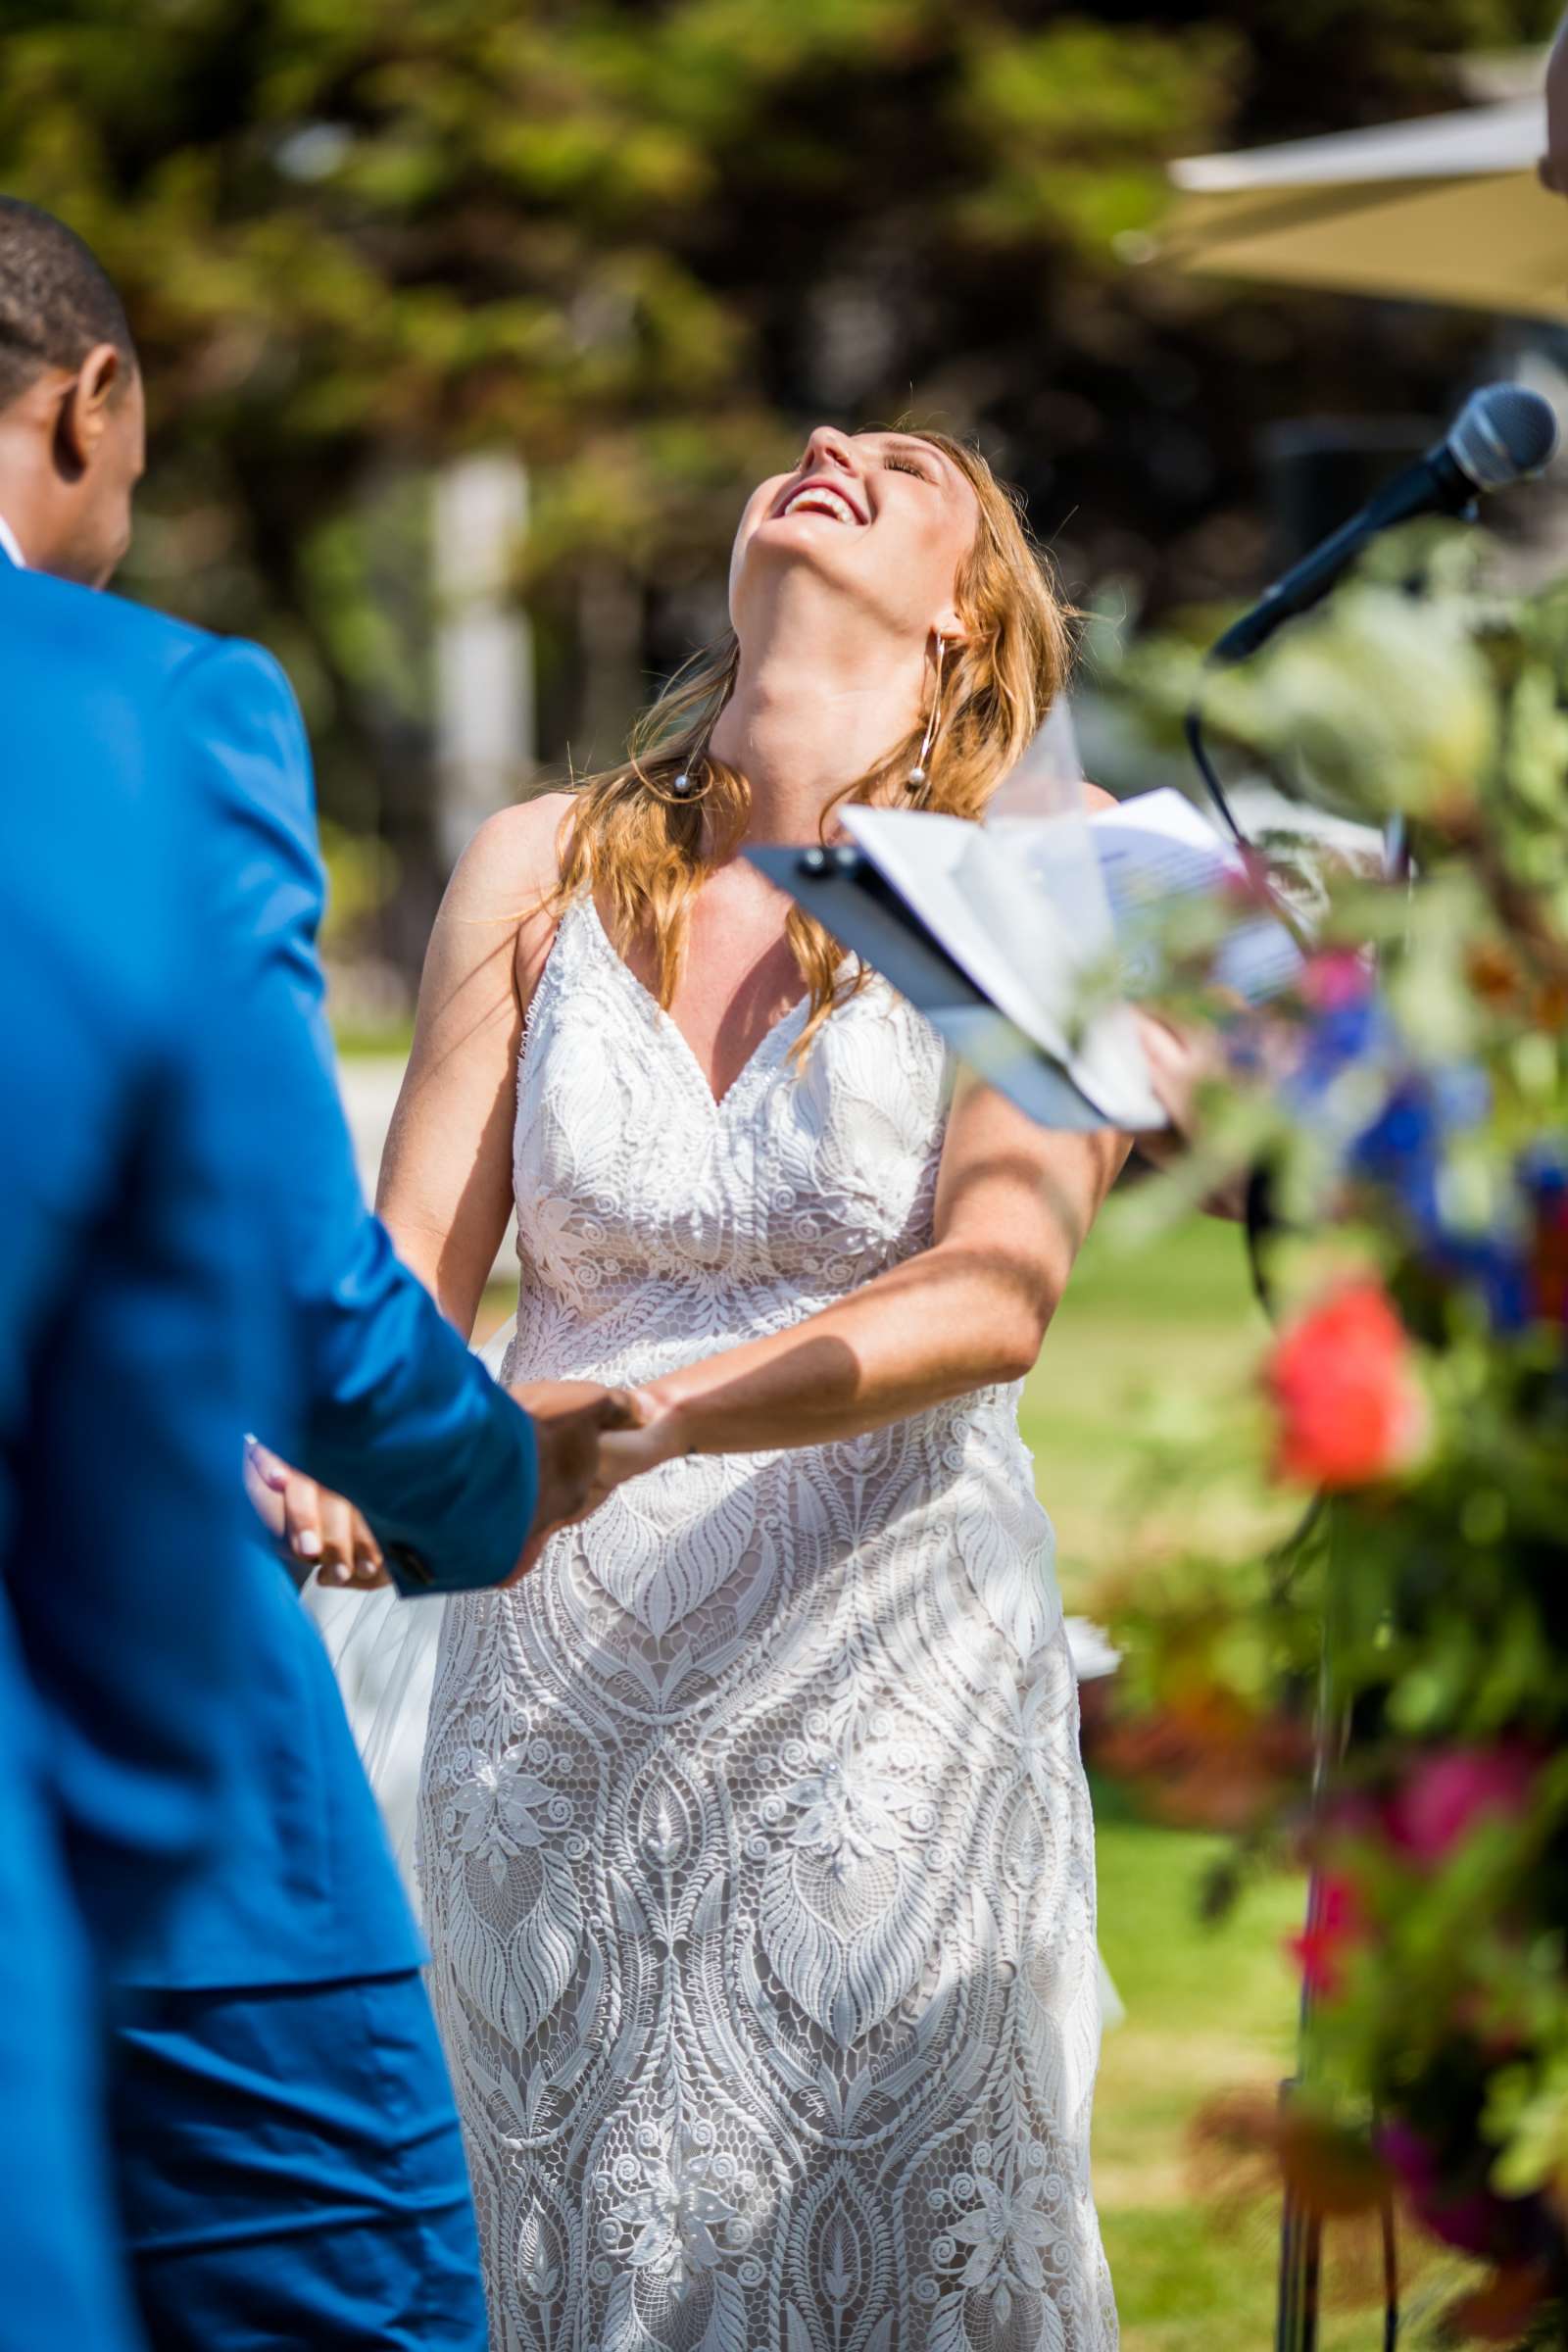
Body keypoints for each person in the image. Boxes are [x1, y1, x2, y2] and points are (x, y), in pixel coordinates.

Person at [302, 424, 1128, 2348]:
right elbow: (404, 1284)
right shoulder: (533, 861)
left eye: (903, 465)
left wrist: (636, 1423)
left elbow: (994, 1298)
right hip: (545, 1739)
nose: (827, 446)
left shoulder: (1041, 878)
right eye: (814, 442)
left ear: (959, 619)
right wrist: (335, 1468)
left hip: (881, 1725)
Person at [0, 195, 632, 2352]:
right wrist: (494, 1481)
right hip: (121, 1771)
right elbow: (292, 1287)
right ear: (92, 406)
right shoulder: (145, 714)